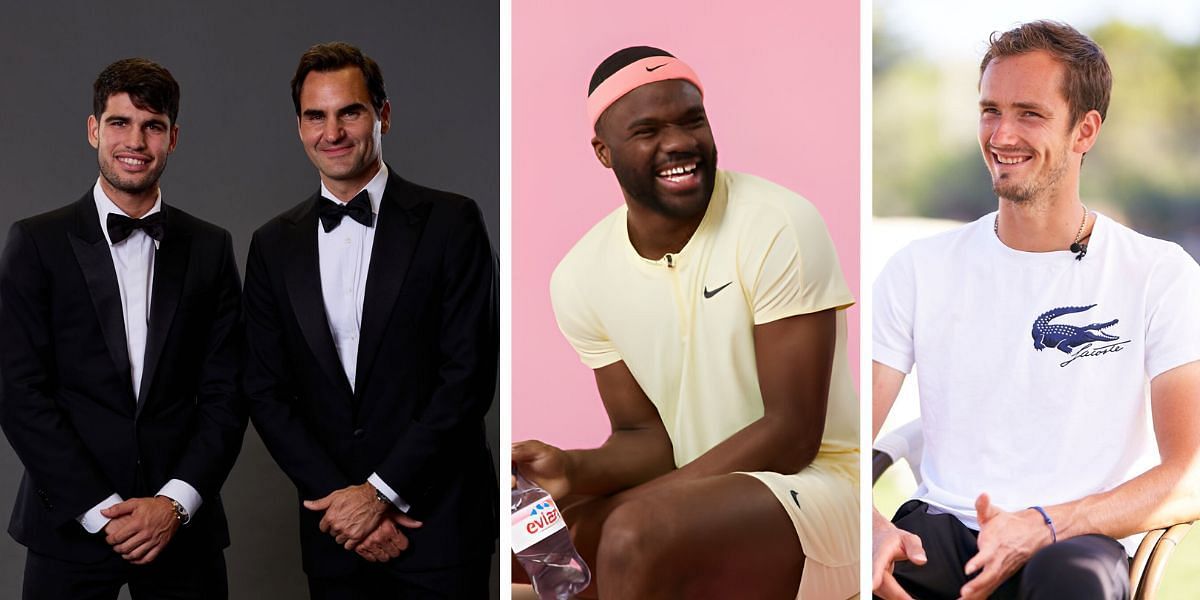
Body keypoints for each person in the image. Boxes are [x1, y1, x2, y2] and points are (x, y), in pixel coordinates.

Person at [512, 46, 859, 599]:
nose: (678, 142)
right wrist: (572, 470)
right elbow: (646, 438)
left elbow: (792, 434)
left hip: (818, 489)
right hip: (693, 495)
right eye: (647, 130)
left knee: (631, 532)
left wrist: (630, 508)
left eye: (692, 120)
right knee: (527, 542)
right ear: (604, 152)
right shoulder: (579, 276)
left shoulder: (778, 223)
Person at [872, 21, 1200, 600]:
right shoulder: (919, 268)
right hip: (943, 528)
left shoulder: (1157, 273)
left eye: (1029, 113)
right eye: (990, 110)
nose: (1001, 134)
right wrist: (863, 524)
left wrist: (1045, 524)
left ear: (1085, 131)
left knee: (1069, 584)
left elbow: (1192, 473)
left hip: (1077, 540)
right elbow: (837, 442)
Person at [243, 42, 498, 598]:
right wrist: (343, 501)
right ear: (300, 126)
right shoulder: (271, 245)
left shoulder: (452, 221)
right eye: (317, 115)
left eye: (350, 111)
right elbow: (265, 391)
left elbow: (468, 376)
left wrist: (380, 494)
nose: (332, 131)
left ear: (383, 114)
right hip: (333, 532)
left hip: (439, 525)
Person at [0, 58, 245, 599]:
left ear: (173, 138)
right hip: (69, 523)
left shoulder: (210, 247)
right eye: (119, 123)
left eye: (153, 126)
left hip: (180, 528)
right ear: (94, 130)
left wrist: (175, 502)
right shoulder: (36, 243)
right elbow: (18, 391)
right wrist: (98, 510)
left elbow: (227, 393)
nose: (136, 140)